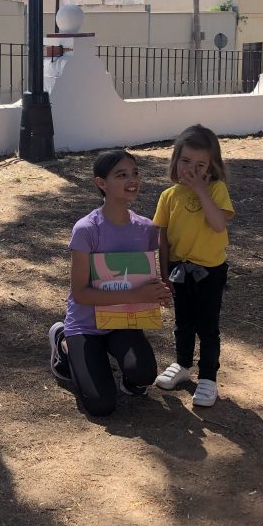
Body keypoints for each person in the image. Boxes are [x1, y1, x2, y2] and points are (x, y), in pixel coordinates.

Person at [48, 150, 171, 417]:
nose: (132, 180)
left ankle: (125, 373)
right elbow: (81, 294)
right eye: (121, 175)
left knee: (144, 375)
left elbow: (149, 276)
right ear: (101, 183)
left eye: (135, 173)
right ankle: (63, 343)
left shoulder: (147, 229)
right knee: (101, 405)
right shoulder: (86, 229)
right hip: (85, 325)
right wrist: (137, 294)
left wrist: (159, 292)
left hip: (123, 321)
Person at [152, 125, 236, 407]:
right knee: (183, 323)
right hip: (179, 269)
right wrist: (164, 274)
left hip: (210, 271)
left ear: (213, 166)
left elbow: (218, 223)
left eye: (201, 165)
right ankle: (182, 364)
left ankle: (208, 377)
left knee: (207, 326)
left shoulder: (216, 190)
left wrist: (201, 190)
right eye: (186, 161)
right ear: (175, 160)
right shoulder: (168, 196)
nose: (191, 169)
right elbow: (162, 240)